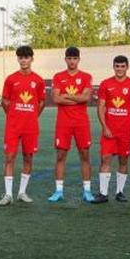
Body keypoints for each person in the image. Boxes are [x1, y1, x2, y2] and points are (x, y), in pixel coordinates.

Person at [93, 55, 130, 203]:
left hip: (126, 131)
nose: (120, 69)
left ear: (127, 67)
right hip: (109, 130)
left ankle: (120, 192)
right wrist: (105, 127)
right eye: (117, 66)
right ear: (113, 67)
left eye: (122, 66)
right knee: (105, 158)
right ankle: (103, 194)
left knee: (123, 160)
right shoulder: (105, 84)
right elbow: (101, 107)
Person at [0, 45, 43, 205]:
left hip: (30, 127)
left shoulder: (38, 80)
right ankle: (8, 194)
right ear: (18, 59)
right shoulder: (11, 79)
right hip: (13, 126)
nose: (24, 60)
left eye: (26, 57)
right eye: (21, 57)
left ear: (32, 58)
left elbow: (42, 101)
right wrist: (12, 116)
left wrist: (32, 116)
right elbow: (5, 101)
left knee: (28, 157)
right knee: (9, 157)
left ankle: (22, 192)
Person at [51, 46, 94, 203]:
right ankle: (59, 191)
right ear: (65, 59)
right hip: (63, 122)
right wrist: (77, 96)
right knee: (61, 155)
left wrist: (67, 96)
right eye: (69, 58)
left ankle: (87, 191)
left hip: (81, 122)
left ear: (78, 60)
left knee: (85, 155)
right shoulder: (58, 77)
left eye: (75, 58)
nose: (72, 61)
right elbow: (56, 99)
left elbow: (86, 98)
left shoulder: (86, 76)